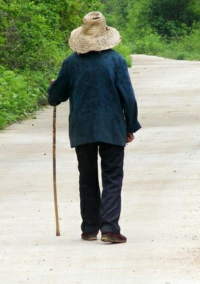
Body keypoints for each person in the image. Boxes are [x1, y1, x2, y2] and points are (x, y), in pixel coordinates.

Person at [47, 11, 141, 243]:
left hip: (82, 128)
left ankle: (89, 228)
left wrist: (53, 88)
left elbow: (55, 97)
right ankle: (109, 229)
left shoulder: (71, 63)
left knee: (87, 177)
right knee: (112, 177)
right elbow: (127, 97)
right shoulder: (116, 60)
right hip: (111, 127)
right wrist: (130, 125)